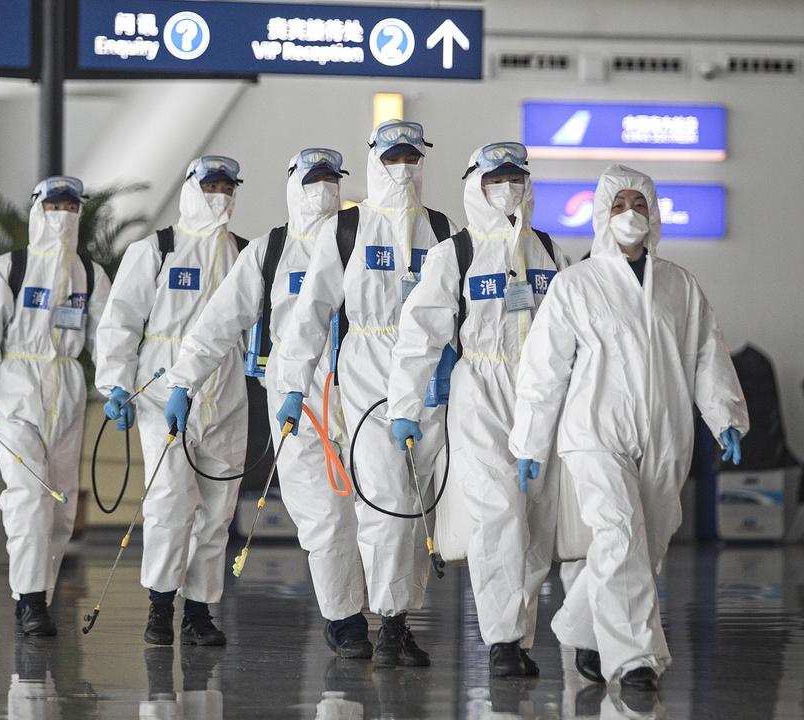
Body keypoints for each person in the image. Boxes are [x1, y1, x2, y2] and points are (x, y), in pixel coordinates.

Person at [510, 165, 749, 691]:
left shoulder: (679, 286)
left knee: (648, 543)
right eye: (618, 206)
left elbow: (707, 353)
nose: (629, 215)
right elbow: (544, 367)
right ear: (601, 215)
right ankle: (636, 660)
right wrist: (530, 439)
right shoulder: (577, 284)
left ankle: (585, 631)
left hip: (666, 432)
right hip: (595, 430)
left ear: (654, 213)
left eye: (638, 205)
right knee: (619, 535)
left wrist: (725, 416)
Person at [164, 149, 372, 657]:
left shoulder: (364, 240)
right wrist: (182, 381)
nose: (323, 187)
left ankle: (393, 617)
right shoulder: (269, 251)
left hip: (366, 386)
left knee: (381, 510)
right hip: (296, 398)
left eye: (331, 178)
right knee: (322, 513)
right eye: (313, 178)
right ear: (293, 184)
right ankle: (346, 619)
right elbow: (219, 321)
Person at [273, 121, 457, 666]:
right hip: (366, 375)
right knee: (385, 499)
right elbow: (312, 313)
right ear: (375, 160)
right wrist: (292, 384)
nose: (402, 165)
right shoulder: (348, 229)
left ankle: (399, 618)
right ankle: (389, 623)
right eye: (392, 154)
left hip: (429, 379)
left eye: (410, 155)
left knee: (419, 502)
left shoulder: (442, 229)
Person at [385, 142, 567, 676]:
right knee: (498, 513)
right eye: (495, 178)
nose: (507, 187)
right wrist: (404, 405)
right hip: (480, 390)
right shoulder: (455, 253)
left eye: (515, 176)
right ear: (474, 185)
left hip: (541, 395)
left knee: (535, 521)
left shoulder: (549, 250)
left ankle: (519, 637)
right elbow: (418, 335)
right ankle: (502, 643)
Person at [97, 156, 247, 647]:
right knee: (168, 501)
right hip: (162, 388)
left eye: (227, 185)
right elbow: (121, 319)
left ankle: (199, 610)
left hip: (225, 389)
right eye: (211, 184)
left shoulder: (243, 255)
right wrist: (116, 383)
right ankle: (160, 604)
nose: (219, 193)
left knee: (219, 506)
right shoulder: (156, 249)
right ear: (190, 188)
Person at [0, 176, 111, 636]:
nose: (63, 212)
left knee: (60, 507)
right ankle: (28, 601)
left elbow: (108, 334)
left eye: (71, 205)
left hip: (67, 390)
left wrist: (117, 386)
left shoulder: (89, 272)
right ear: (37, 210)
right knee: (28, 496)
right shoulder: (10, 268)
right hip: (15, 393)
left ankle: (38, 597)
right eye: (55, 204)